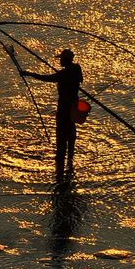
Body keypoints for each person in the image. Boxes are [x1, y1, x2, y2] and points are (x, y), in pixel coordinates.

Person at [20, 49, 83, 183]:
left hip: (64, 109)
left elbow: (46, 78)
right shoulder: (77, 69)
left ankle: (60, 168)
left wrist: (29, 74)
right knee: (71, 132)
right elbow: (79, 79)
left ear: (65, 60)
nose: (59, 60)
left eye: (61, 59)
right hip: (74, 107)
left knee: (61, 137)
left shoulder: (63, 74)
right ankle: (70, 161)